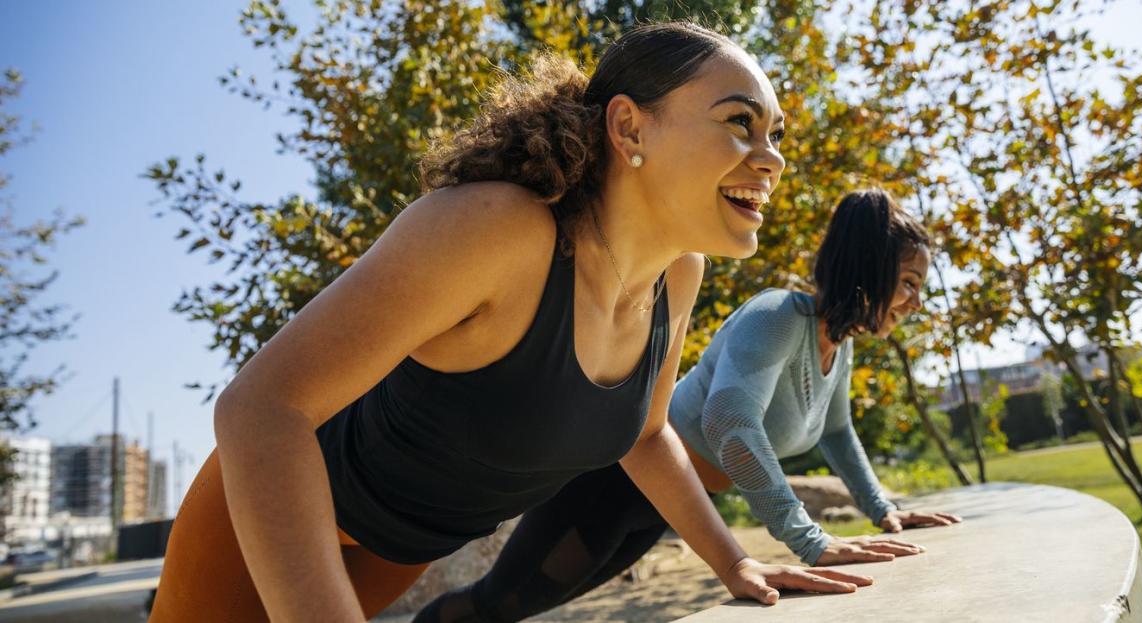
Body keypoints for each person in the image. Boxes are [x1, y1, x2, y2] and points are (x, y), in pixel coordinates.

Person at [149, 22, 875, 623]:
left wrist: (735, 558)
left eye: (775, 133)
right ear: (628, 127)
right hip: (269, 521)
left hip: (402, 548)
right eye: (740, 123)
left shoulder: (677, 276)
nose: (772, 157)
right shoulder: (495, 229)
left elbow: (650, 437)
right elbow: (260, 408)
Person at [417, 189, 963, 622]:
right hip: (615, 481)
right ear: (868, 269)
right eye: (909, 282)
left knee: (525, 606)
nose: (916, 301)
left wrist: (883, 510)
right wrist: (808, 539)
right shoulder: (778, 317)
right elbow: (729, 422)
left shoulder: (835, 348)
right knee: (498, 604)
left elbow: (839, 433)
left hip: (668, 504)